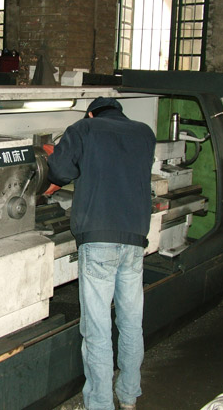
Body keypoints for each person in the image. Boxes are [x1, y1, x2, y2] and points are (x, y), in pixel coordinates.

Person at [46, 97, 156, 410]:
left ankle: (100, 404)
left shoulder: (84, 128)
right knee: (131, 323)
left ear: (91, 113)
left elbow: (59, 172)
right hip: (134, 239)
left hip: (98, 240)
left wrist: (58, 156)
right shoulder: (145, 133)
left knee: (97, 330)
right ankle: (129, 396)